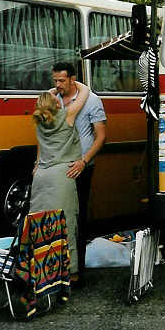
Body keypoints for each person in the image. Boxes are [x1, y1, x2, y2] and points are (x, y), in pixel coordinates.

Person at [51, 62, 107, 286]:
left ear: (72, 79)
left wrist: (85, 161)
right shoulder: (52, 100)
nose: (57, 85)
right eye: (55, 80)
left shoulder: (91, 100)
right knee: (59, 217)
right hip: (59, 166)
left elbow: (100, 136)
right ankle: (60, 268)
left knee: (78, 219)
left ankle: (77, 271)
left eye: (61, 81)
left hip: (81, 166)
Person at [30, 82, 90, 281]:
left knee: (42, 225)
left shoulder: (39, 120)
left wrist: (51, 91)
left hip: (41, 177)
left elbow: (46, 96)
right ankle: (71, 272)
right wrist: (70, 83)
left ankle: (43, 269)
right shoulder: (67, 116)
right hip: (61, 177)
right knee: (65, 225)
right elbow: (85, 92)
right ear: (56, 105)